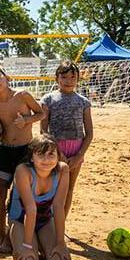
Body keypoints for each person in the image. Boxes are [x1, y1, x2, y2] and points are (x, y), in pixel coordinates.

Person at [0, 64, 44, 252]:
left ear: (6, 77)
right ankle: (2, 235)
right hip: (4, 151)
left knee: (19, 195)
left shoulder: (22, 95)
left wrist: (27, 120)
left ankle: (17, 232)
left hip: (25, 151)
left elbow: (42, 113)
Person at [8, 134, 72, 260]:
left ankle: (42, 244)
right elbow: (30, 209)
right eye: (41, 155)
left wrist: (61, 243)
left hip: (44, 221)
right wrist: (27, 245)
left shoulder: (63, 170)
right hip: (20, 221)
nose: (46, 159)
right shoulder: (23, 171)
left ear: (58, 156)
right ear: (32, 157)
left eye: (51, 154)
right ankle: (18, 238)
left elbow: (59, 206)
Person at [40, 60, 93, 218]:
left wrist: (79, 156)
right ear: (57, 78)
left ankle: (61, 224)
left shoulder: (84, 102)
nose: (69, 81)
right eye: (64, 77)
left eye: (72, 77)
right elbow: (43, 130)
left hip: (76, 150)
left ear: (78, 79)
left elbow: (89, 133)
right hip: (53, 150)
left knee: (69, 188)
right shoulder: (48, 100)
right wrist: (57, 153)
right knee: (51, 188)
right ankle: (47, 222)